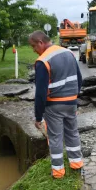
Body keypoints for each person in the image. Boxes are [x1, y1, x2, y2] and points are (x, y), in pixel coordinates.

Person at [28, 30, 83, 179]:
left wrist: (38, 117)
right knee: (72, 133)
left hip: (54, 106)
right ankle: (76, 164)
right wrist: (74, 99)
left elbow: (40, 93)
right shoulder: (69, 53)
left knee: (55, 138)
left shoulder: (43, 61)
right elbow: (79, 79)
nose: (34, 50)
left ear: (41, 42)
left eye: (34, 46)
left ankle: (58, 173)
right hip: (71, 102)